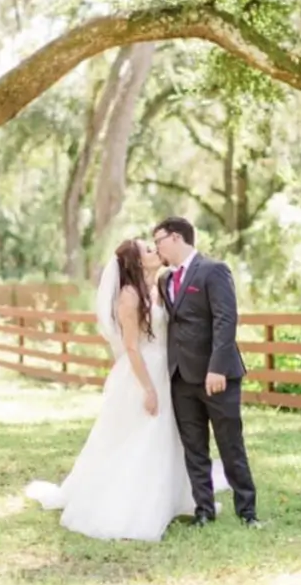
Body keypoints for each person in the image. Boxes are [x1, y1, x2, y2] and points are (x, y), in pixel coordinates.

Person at [24, 238, 228, 541]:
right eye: (148, 249)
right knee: (140, 435)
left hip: (165, 369)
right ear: (135, 262)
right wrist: (148, 389)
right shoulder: (129, 297)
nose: (154, 251)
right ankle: (133, 504)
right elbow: (131, 347)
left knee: (167, 434)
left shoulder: (159, 287)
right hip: (141, 373)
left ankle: (171, 497)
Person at [153, 217, 260, 528]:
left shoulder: (213, 271)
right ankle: (204, 510)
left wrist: (217, 368)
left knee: (230, 443)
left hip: (217, 377)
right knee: (194, 447)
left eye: (159, 239)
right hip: (181, 378)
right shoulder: (164, 281)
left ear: (175, 237)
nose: (157, 245)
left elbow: (225, 321)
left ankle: (247, 512)